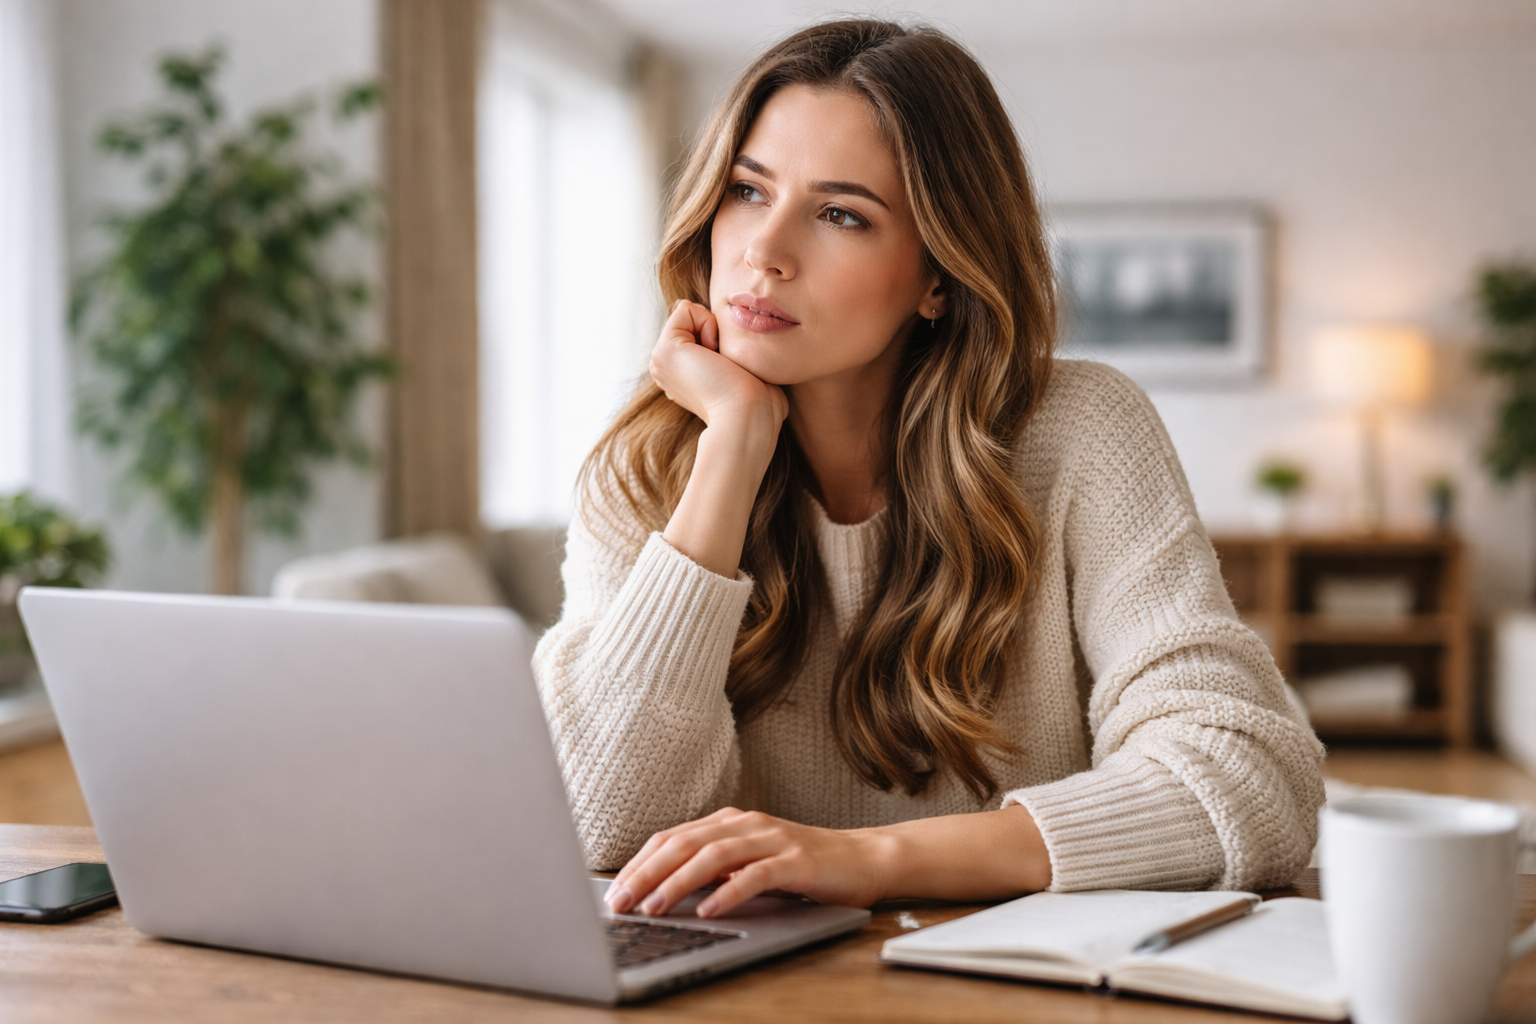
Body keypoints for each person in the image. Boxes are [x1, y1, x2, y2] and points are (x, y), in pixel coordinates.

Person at [533, 19, 1324, 922]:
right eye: (747, 191)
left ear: (938, 277)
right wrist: (734, 448)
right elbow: (597, 823)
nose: (765, 251)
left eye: (841, 214)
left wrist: (870, 860)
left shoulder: (1081, 433)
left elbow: (1252, 780)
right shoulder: (642, 472)